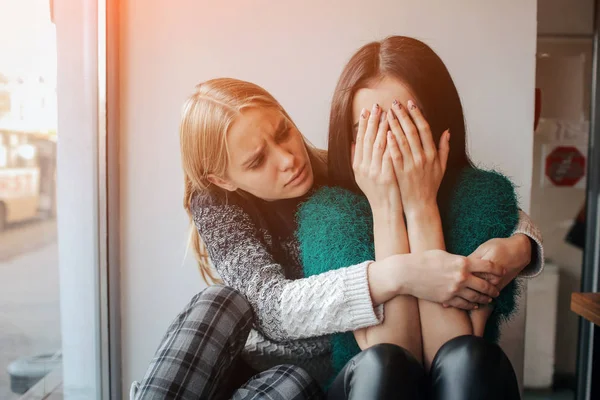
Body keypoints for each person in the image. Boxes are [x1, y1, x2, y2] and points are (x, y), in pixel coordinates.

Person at [132, 75, 541, 399]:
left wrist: (523, 245)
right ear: (223, 178)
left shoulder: (345, 171)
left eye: (283, 131)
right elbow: (273, 309)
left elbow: (480, 208)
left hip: (313, 377)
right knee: (218, 300)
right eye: (258, 161)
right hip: (243, 362)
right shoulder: (217, 203)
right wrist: (399, 274)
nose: (289, 159)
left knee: (291, 384)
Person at [299, 36, 544, 399]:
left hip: (464, 375)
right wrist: (386, 208)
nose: (389, 145)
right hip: (365, 384)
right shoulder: (329, 213)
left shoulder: (483, 195)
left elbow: (455, 347)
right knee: (383, 364)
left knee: (467, 357)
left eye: (404, 124)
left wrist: (420, 205)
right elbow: (392, 350)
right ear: (349, 143)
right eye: (367, 130)